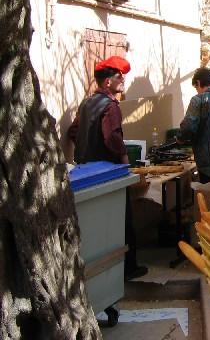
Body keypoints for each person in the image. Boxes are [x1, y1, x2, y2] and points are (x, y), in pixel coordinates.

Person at [68, 55, 147, 280]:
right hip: (109, 172)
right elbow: (112, 137)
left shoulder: (86, 104)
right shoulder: (111, 106)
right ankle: (128, 269)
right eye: (118, 77)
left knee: (96, 222)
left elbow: (73, 132)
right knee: (122, 220)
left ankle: (100, 272)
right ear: (107, 82)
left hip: (87, 172)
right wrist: (125, 162)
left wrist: (85, 150)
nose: (122, 80)